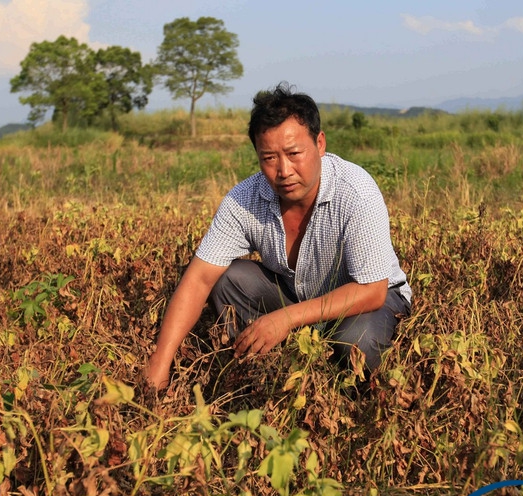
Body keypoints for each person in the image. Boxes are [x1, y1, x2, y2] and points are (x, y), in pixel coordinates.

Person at [145, 83, 412, 391]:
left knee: (355, 344)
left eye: (294, 153)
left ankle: (344, 398)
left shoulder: (356, 192)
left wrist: (285, 319)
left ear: (320, 144)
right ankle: (260, 377)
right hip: (296, 293)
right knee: (227, 279)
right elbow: (199, 279)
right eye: (269, 158)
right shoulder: (244, 198)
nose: (283, 170)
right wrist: (160, 363)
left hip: (368, 298)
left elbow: (372, 290)